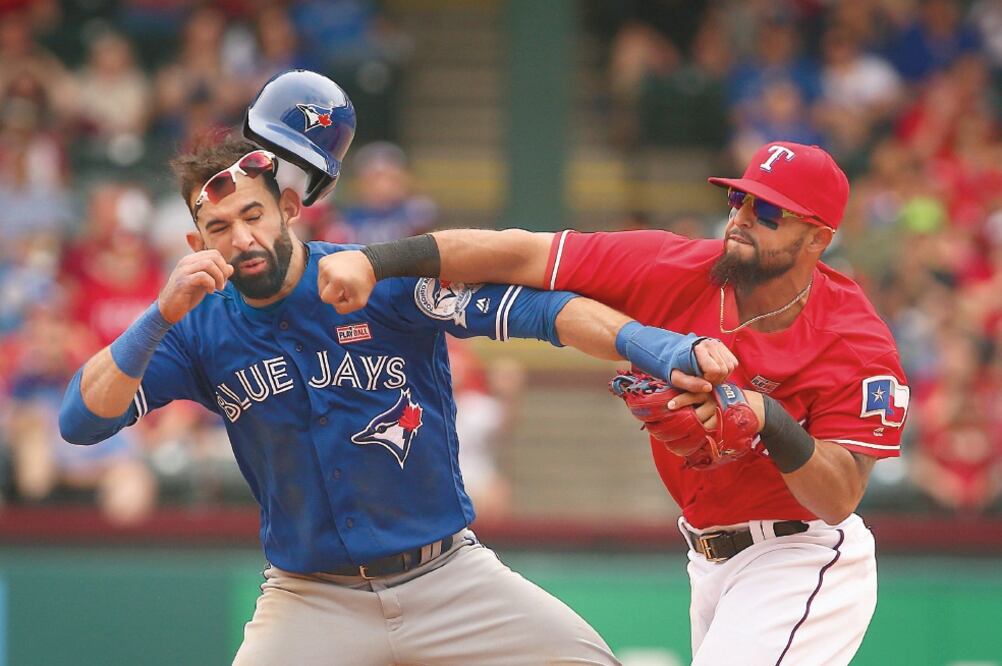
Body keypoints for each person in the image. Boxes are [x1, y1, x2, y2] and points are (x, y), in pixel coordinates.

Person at [58, 71, 739, 665]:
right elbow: (81, 420)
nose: (241, 238)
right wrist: (158, 314)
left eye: (254, 214)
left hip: (447, 578)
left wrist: (664, 348)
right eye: (218, 228)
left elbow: (543, 313)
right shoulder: (195, 327)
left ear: (290, 209)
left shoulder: (371, 278)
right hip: (309, 598)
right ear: (194, 241)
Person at [319, 141, 910, 665]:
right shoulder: (674, 267)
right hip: (709, 558)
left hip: (801, 556)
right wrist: (376, 261)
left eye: (769, 211)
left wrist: (767, 417)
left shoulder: (854, 341)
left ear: (818, 238)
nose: (743, 219)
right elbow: (520, 253)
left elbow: (838, 499)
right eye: (738, 201)